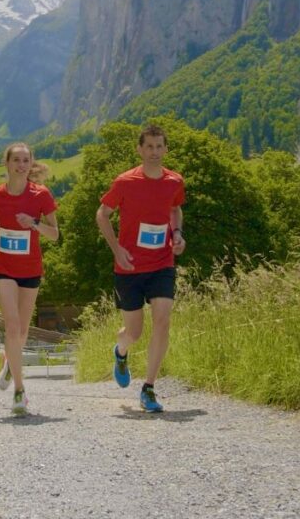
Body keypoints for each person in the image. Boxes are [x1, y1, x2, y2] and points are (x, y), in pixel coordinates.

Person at [95, 124, 185, 413]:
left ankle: (149, 388)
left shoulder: (174, 181)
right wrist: (116, 249)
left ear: (166, 149)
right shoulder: (125, 182)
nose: (155, 152)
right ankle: (121, 352)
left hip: (161, 263)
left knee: (163, 320)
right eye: (149, 147)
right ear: (140, 149)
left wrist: (178, 234)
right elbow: (102, 214)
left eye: (159, 146)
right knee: (133, 333)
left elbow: (174, 209)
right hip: (129, 267)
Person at [0, 142, 59, 416]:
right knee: (12, 327)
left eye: (26, 161)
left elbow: (55, 235)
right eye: (17, 160)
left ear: (30, 164)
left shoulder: (41, 195)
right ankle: (19, 392)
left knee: (22, 331)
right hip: (5, 269)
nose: (21, 165)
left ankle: (8, 364)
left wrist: (34, 223)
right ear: (7, 163)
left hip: (31, 271)